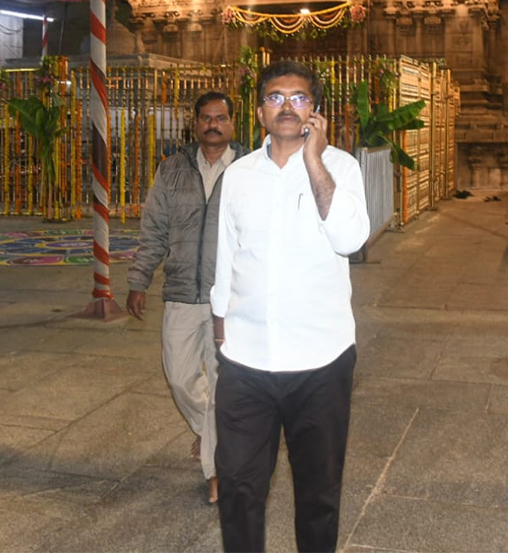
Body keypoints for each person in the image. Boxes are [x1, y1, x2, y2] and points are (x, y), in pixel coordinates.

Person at [211, 60, 370, 553]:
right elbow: (226, 256)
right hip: (246, 360)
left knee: (318, 494)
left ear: (314, 112)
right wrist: (220, 325)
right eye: (275, 97)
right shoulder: (238, 175)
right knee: (237, 486)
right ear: (259, 110)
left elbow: (351, 238)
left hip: (320, 360)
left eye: (298, 98)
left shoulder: (340, 167)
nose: (286, 106)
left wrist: (314, 161)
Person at [126, 91, 245, 505]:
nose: (213, 125)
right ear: (194, 124)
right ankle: (208, 431)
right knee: (178, 377)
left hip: (229, 300)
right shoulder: (171, 170)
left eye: (221, 118)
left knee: (221, 382)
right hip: (180, 293)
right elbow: (154, 230)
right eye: (206, 118)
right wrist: (139, 279)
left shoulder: (250, 171)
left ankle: (216, 471)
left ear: (232, 124)